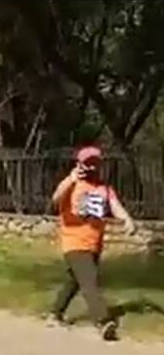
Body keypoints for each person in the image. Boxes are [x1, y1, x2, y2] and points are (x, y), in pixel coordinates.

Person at [47, 145, 136, 341]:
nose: (91, 167)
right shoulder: (71, 183)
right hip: (73, 241)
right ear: (79, 164)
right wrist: (71, 178)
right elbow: (55, 198)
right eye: (87, 164)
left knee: (75, 281)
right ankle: (104, 321)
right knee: (89, 280)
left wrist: (127, 219)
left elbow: (115, 206)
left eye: (95, 163)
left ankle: (54, 314)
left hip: (94, 243)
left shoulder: (104, 188)